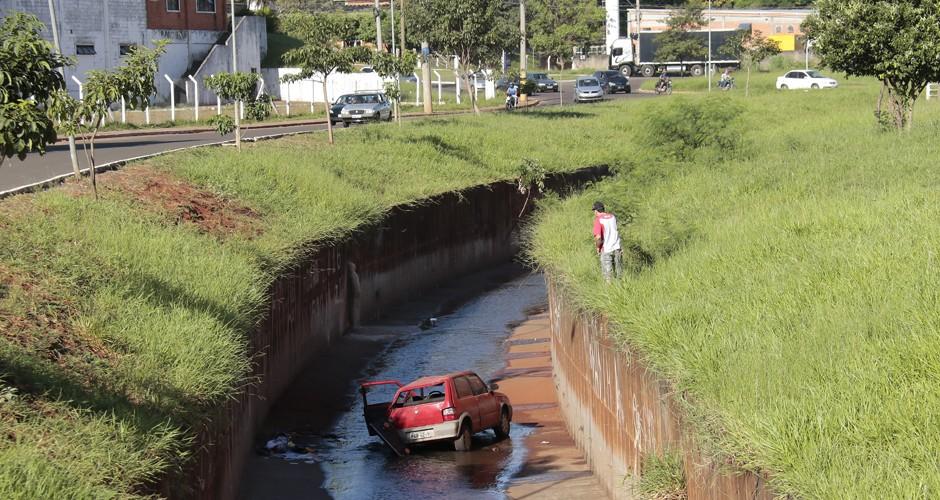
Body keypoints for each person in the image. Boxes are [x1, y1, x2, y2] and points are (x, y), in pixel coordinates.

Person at [592, 201, 622, 283]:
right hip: (617, 248)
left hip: (607, 250)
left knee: (608, 277)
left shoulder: (598, 220)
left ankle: (609, 293)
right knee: (618, 275)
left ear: (596, 211)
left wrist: (598, 248)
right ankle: (620, 290)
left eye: (594, 211)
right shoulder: (612, 217)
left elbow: (598, 238)